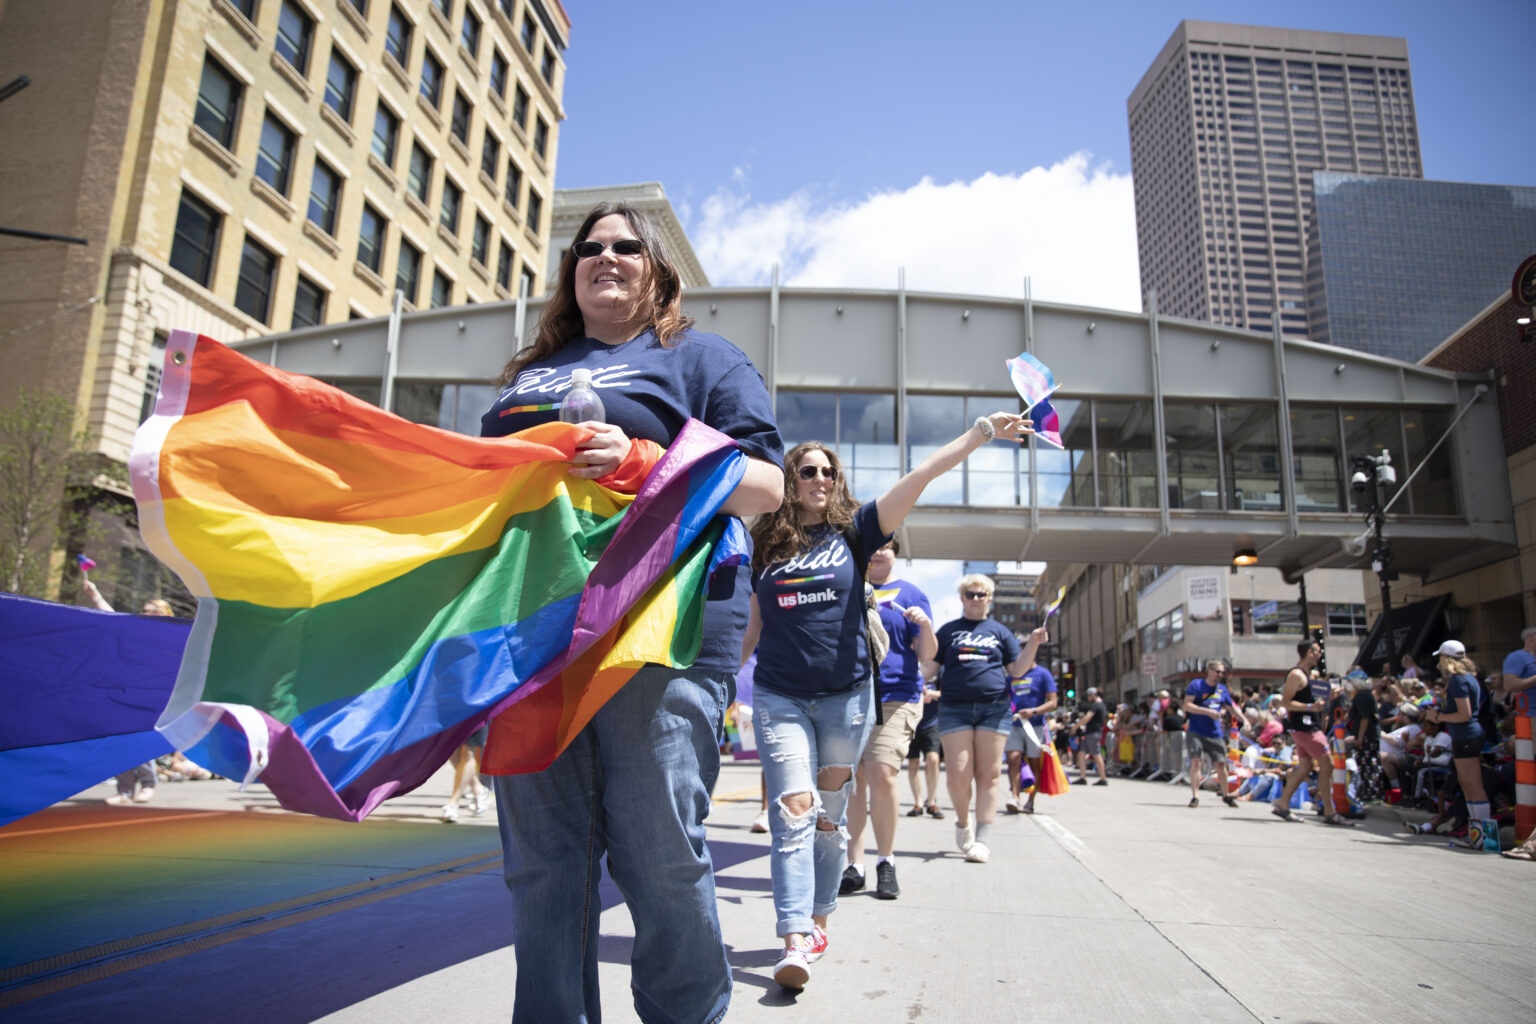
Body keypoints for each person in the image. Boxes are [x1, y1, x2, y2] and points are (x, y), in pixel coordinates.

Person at [480, 201, 785, 1024]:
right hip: (531, 630)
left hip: (661, 631)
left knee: (658, 854)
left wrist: (646, 461)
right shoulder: (530, 374)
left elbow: (768, 484)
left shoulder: (700, 358)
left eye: (626, 246)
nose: (605, 256)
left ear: (658, 272)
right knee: (544, 865)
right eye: (589, 247)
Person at [746, 411, 1031, 989]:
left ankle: (819, 915)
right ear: (790, 478)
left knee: (827, 817)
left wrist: (980, 433)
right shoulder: (764, 545)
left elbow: (922, 474)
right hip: (779, 696)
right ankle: (795, 936)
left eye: (828, 470)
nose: (820, 478)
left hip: (844, 700)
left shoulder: (857, 533)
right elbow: (751, 625)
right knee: (793, 810)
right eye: (807, 470)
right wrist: (723, 682)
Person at [923, 579, 1045, 865]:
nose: (976, 598)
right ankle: (963, 822)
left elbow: (1017, 668)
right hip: (954, 707)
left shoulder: (1000, 632)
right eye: (970, 594)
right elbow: (929, 668)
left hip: (994, 707)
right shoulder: (949, 630)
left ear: (990, 599)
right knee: (957, 774)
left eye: (982, 594)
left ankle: (983, 839)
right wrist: (912, 682)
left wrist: (1035, 643)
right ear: (962, 598)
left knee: (989, 775)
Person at [843, 539, 936, 901]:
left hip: (896, 697)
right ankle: (855, 865)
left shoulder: (912, 594)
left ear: (896, 553)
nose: (878, 551)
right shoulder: (847, 585)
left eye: (887, 546)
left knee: (881, 772)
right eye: (873, 545)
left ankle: (886, 861)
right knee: (852, 780)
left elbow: (928, 655)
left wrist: (925, 626)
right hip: (850, 694)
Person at [84, 581, 177, 805]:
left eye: (146, 611)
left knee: (138, 740)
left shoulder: (169, 636)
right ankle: (123, 791)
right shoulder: (135, 631)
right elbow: (112, 618)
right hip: (125, 693)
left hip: (150, 697)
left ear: (160, 614)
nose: (141, 613)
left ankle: (147, 785)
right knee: (119, 741)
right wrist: (95, 595)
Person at [1271, 641, 1350, 826]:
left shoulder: (1308, 675)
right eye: (1317, 651)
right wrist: (1309, 707)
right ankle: (1329, 811)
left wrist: (1329, 697)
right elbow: (1285, 702)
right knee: (1327, 764)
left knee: (1306, 767)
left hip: (1305, 728)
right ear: (1309, 653)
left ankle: (1283, 805)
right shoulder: (1296, 675)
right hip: (1305, 728)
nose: (1320, 654)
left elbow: (1312, 700)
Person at [1422, 640, 1491, 848]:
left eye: (1440, 658)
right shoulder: (1467, 678)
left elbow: (1465, 714)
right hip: (1466, 736)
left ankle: (1482, 837)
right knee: (1468, 786)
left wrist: (1439, 716)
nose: (1438, 662)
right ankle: (1476, 835)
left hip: (1466, 736)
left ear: (1445, 658)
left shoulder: (1458, 680)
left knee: (1473, 786)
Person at [1183, 658, 1242, 808]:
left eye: (1222, 672)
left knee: (1221, 764)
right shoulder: (1196, 685)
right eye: (1217, 671)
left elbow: (1232, 707)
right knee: (1196, 761)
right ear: (1209, 671)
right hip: (1196, 730)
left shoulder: (1222, 689)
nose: (1220, 675)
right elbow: (1187, 705)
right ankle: (1195, 796)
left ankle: (1226, 795)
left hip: (1215, 733)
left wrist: (1244, 720)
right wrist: (1208, 712)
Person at [1004, 645, 1057, 814]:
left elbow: (1053, 702)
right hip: (1014, 724)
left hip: (1035, 726)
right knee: (1013, 758)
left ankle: (1030, 801)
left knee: (1034, 762)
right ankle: (1015, 797)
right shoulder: (1012, 675)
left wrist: (1034, 712)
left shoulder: (1043, 674)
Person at [1499, 626, 1536, 860]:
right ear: (1531, 637)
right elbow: (1510, 685)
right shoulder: (1518, 657)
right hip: (1531, 718)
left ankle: (1530, 845)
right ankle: (1529, 844)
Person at [905, 674, 944, 819]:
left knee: (933, 759)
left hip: (932, 722)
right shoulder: (911, 665)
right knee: (913, 761)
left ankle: (932, 801)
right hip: (913, 721)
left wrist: (930, 693)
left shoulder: (938, 669)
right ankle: (918, 803)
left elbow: (945, 693)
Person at [1073, 687, 1110, 785]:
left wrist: (1076, 726)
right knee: (1081, 754)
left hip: (1093, 733)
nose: (1088, 698)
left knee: (1097, 755)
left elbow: (1087, 718)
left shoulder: (1096, 705)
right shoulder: (1101, 705)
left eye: (1089, 696)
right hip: (1091, 732)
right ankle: (1082, 777)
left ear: (1093, 695)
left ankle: (1103, 778)